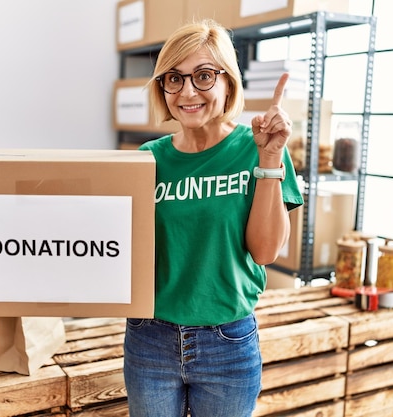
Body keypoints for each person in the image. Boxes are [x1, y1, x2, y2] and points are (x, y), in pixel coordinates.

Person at [123, 19, 304, 417]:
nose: (187, 91)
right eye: (174, 78)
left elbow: (266, 250)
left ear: (228, 83)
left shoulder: (259, 148)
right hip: (149, 338)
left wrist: (270, 158)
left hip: (228, 344)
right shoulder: (145, 160)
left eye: (203, 76)